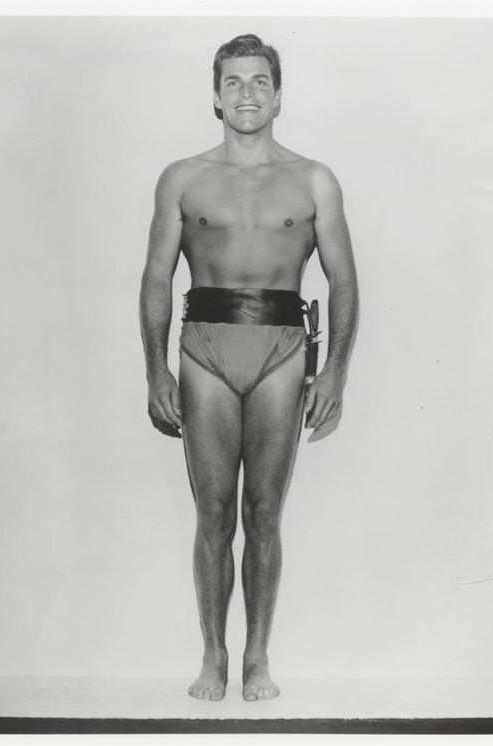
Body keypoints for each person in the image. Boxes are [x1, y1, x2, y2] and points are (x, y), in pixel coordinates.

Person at [139, 33, 358, 702]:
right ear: (216, 95)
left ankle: (257, 657)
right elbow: (155, 278)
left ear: (278, 95)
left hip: (282, 349)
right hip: (204, 346)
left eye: (260, 81)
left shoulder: (314, 179)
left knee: (264, 512)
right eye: (233, 81)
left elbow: (344, 281)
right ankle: (214, 655)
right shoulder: (182, 178)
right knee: (213, 513)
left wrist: (336, 372)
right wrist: (154, 371)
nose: (247, 93)